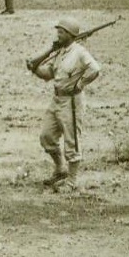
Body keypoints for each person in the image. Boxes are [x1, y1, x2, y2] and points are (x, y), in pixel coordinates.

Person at [27, 18, 101, 191]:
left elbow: (95, 69)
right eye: (58, 31)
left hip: (72, 102)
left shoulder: (80, 52)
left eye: (61, 32)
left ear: (70, 35)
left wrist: (80, 84)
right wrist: (35, 68)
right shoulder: (60, 52)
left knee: (72, 141)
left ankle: (72, 181)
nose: (58, 34)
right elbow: (48, 74)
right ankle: (60, 169)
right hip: (57, 99)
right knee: (47, 136)